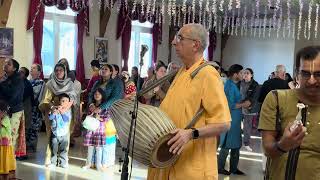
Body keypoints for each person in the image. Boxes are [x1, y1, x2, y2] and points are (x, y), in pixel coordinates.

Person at [147, 23, 231, 180]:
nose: (174, 42)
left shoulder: (208, 74)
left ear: (195, 45)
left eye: (180, 38)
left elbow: (224, 123)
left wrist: (191, 134)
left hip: (191, 166)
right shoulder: (181, 72)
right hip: (168, 159)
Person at [259, 46, 320, 180]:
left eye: (318, 74)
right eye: (305, 73)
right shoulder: (276, 98)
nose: (312, 80)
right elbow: (267, 148)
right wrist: (283, 145)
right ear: (296, 73)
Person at [39, 63, 76, 166]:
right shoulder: (50, 83)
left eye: (61, 70)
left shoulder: (69, 83)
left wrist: (65, 108)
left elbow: (73, 98)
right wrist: (53, 107)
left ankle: (63, 160)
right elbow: (46, 99)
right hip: (53, 112)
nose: (58, 72)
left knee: (65, 135)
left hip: (66, 112)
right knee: (52, 135)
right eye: (56, 70)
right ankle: (50, 159)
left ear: (65, 72)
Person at [218, 64, 249, 175]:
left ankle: (234, 168)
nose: (243, 75)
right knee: (227, 144)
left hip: (236, 119)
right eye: (241, 73)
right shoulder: (229, 86)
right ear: (235, 74)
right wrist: (243, 104)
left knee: (236, 145)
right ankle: (220, 167)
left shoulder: (237, 85)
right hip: (230, 118)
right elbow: (229, 105)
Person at [0, 58, 26, 158]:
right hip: (3, 110)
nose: (5, 65)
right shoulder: (4, 78)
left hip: (14, 111)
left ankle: (10, 160)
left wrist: (1, 84)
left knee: (11, 136)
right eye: (5, 63)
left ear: (14, 68)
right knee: (3, 135)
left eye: (9, 64)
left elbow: (12, 95)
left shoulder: (18, 79)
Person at [82, 88, 108, 171]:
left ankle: (98, 165)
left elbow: (106, 118)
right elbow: (87, 114)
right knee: (90, 148)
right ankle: (88, 164)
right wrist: (92, 110)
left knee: (98, 148)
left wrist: (98, 117)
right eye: (95, 94)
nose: (97, 95)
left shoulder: (105, 106)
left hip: (99, 130)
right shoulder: (91, 105)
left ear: (102, 95)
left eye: (99, 94)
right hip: (91, 129)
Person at [48, 93, 72, 168]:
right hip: (55, 132)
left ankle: (63, 162)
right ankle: (53, 162)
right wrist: (54, 113)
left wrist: (62, 112)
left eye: (66, 101)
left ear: (68, 103)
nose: (64, 102)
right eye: (63, 101)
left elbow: (66, 120)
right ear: (59, 102)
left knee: (63, 149)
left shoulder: (68, 111)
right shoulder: (55, 109)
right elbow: (50, 118)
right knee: (54, 148)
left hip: (64, 133)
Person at [240, 68, 260, 152]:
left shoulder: (255, 84)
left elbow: (254, 97)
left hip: (249, 108)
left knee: (247, 127)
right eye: (244, 73)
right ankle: (238, 141)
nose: (245, 75)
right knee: (238, 125)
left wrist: (248, 105)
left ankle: (246, 143)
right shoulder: (240, 83)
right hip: (239, 107)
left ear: (251, 75)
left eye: (247, 73)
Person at [26, 64, 45, 152]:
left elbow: (34, 94)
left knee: (34, 128)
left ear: (39, 72)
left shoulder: (40, 82)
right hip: (28, 109)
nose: (31, 70)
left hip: (35, 110)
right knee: (28, 128)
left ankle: (32, 147)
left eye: (34, 68)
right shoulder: (28, 81)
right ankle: (26, 146)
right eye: (31, 68)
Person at [19, 67, 34, 156]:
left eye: (21, 72)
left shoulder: (27, 84)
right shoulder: (19, 82)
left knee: (24, 130)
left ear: (25, 75)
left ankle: (23, 152)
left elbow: (21, 97)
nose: (19, 73)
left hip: (26, 109)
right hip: (21, 109)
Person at [0, 100, 16, 178]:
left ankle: (5, 168)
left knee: (5, 155)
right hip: (2, 141)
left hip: (5, 142)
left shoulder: (6, 119)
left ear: (4, 112)